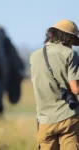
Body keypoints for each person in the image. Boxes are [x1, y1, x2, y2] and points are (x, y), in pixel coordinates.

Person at [30, 20, 79, 150]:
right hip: (68, 117)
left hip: (45, 120)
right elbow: (75, 89)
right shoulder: (70, 55)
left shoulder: (34, 56)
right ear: (68, 38)